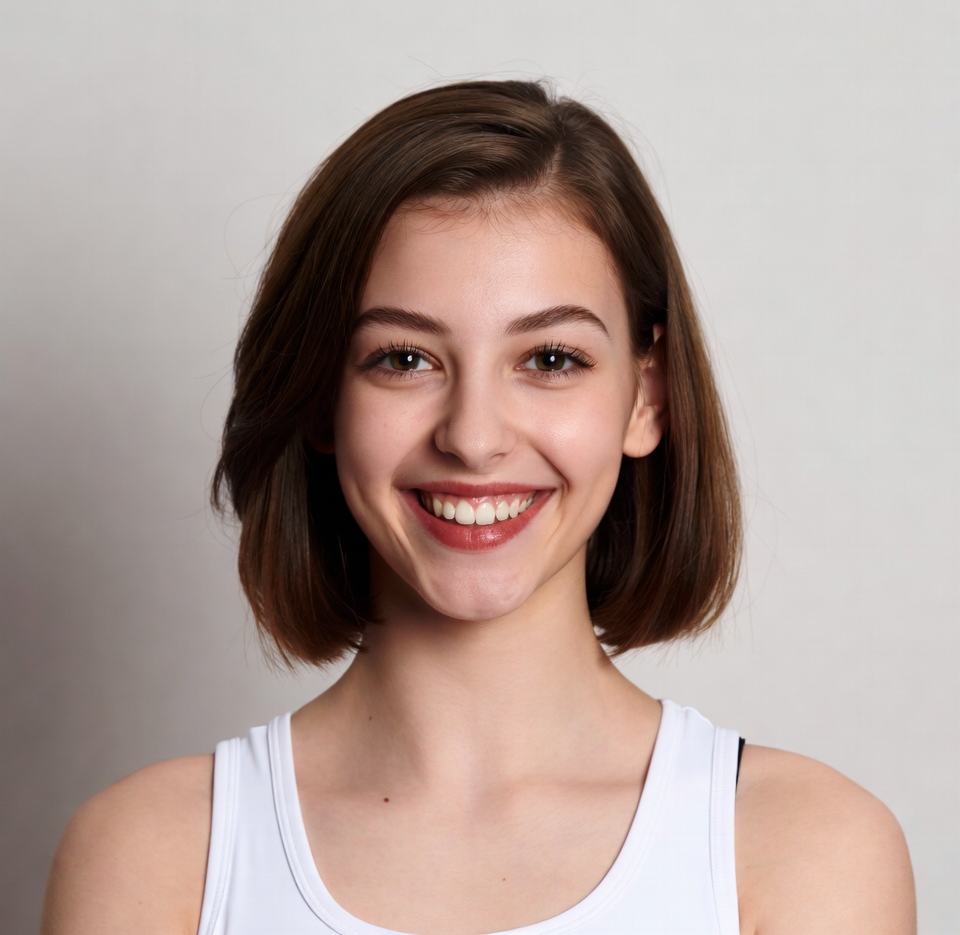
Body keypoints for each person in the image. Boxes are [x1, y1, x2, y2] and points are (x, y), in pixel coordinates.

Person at [42, 79, 915, 935]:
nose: (473, 437)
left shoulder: (804, 852)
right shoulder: (152, 859)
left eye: (550, 359)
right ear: (318, 400)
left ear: (647, 397)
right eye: (404, 359)